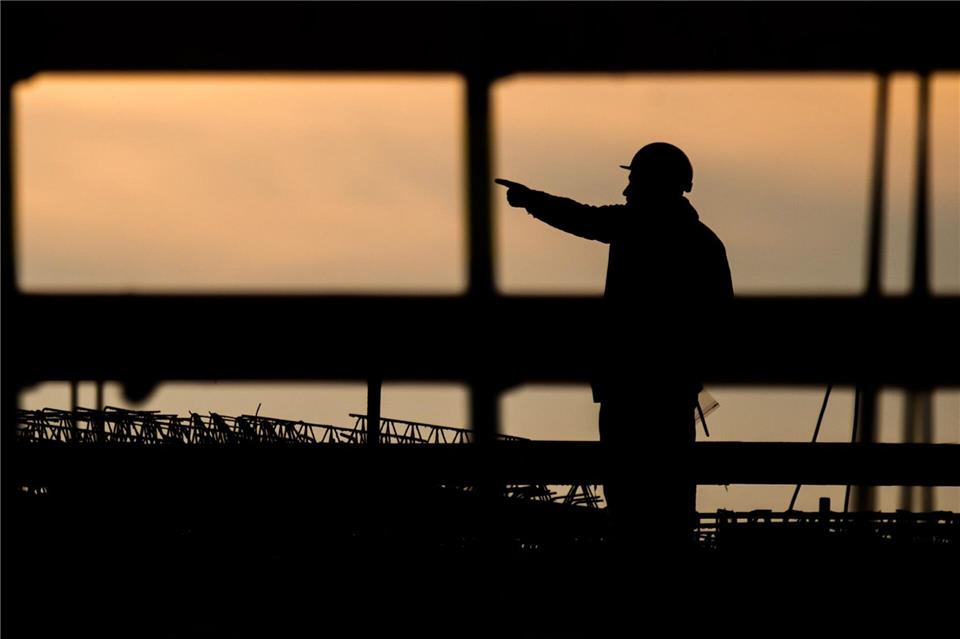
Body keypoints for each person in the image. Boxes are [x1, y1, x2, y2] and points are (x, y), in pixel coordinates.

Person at [496, 142, 733, 557]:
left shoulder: (637, 227)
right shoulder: (704, 243)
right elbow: (722, 320)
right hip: (672, 393)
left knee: (627, 502)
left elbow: (581, 218)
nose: (626, 189)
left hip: (632, 390)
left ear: (654, 184)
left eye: (634, 179)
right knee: (669, 499)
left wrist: (530, 201)